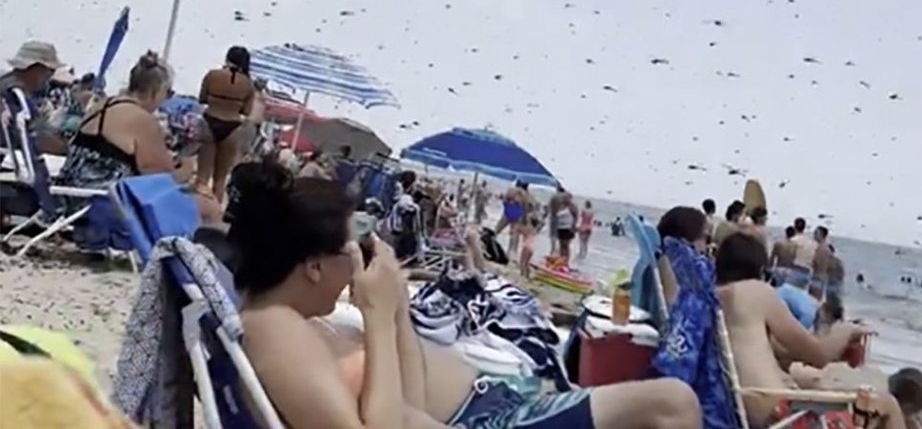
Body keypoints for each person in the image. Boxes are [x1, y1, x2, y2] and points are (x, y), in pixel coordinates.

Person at [229, 160, 702, 429]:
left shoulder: (296, 320)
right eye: (357, 250)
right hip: (484, 422)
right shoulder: (272, 330)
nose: (363, 259)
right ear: (313, 267)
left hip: (487, 408)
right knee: (672, 403)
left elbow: (407, 405)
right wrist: (375, 316)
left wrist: (393, 313)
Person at [715, 233, 906, 428]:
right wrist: (846, 329)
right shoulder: (756, 292)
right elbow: (819, 355)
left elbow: (785, 355)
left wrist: (837, 351)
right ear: (760, 268)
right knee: (887, 404)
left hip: (749, 413)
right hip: (783, 419)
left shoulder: (716, 298)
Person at [59, 52, 182, 191]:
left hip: (66, 194)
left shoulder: (101, 105)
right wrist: (187, 168)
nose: (167, 99)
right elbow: (161, 176)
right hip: (100, 203)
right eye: (168, 93)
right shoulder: (142, 119)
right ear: (156, 90)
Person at [197, 47, 255, 205]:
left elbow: (202, 99)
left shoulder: (212, 75)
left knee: (202, 178)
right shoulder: (249, 84)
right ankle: (212, 216)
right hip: (232, 127)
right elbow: (247, 111)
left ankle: (195, 213)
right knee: (220, 180)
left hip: (210, 120)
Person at [0, 41, 69, 156]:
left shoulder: (10, 85)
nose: (51, 74)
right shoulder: (13, 93)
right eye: (50, 69)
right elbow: (20, 137)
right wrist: (65, 148)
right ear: (35, 67)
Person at [789, 217, 818, 290]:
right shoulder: (812, 243)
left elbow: (790, 256)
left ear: (794, 226)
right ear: (804, 227)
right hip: (807, 272)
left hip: (795, 270)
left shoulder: (793, 241)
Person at [554, 191, 578, 262]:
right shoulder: (560, 206)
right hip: (560, 228)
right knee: (561, 245)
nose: (563, 199)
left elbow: (576, 217)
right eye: (563, 198)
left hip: (568, 228)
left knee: (566, 245)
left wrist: (574, 226)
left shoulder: (572, 207)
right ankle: (561, 260)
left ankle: (566, 261)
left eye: (565, 198)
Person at [810, 226, 832, 299]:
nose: (814, 235)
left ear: (821, 235)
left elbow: (816, 263)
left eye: (816, 233)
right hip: (823, 277)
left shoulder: (821, 248)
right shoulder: (827, 248)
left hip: (817, 277)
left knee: (813, 300)